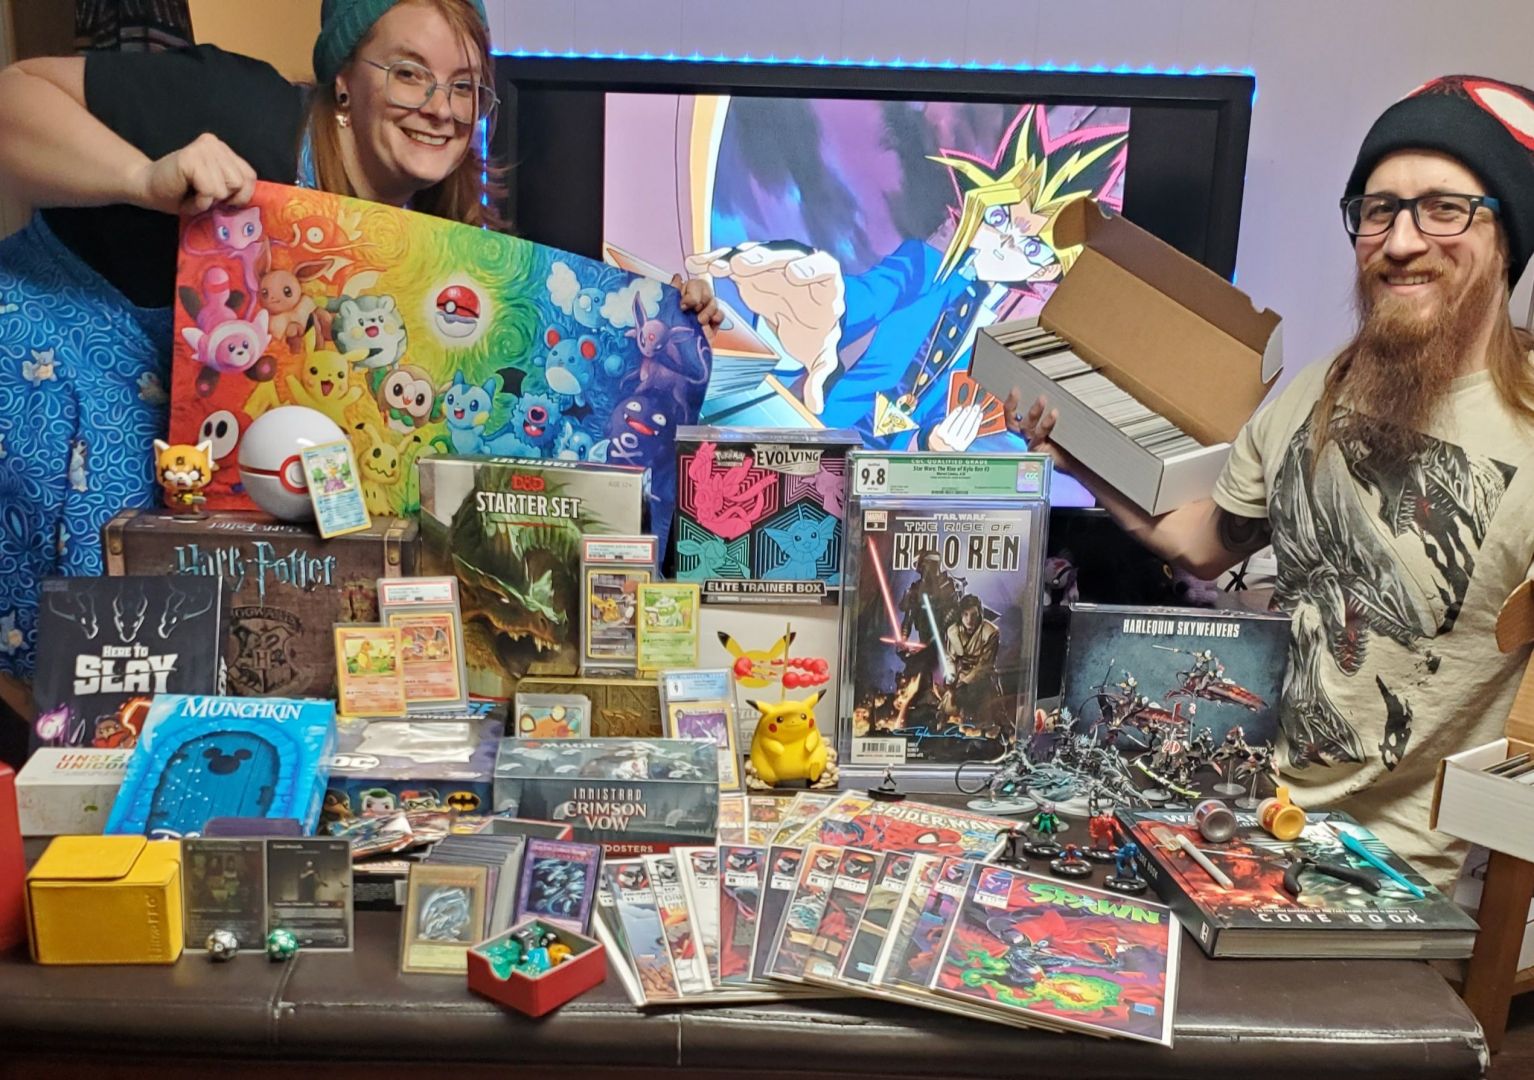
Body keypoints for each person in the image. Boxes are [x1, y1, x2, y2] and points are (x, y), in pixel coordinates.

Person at [0, 0, 724, 710]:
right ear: (344, 80)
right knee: (116, 648)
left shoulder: (438, 233)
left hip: (222, 429)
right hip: (63, 353)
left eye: (465, 86)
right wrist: (144, 179)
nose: (441, 108)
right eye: (410, 73)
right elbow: (15, 96)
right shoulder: (241, 108)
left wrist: (671, 321)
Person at [1008, 74, 1534, 890]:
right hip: (1243, 825)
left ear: (1508, 238)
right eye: (1379, 210)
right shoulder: (1319, 390)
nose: (1400, 241)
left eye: (1444, 209)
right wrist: (1079, 457)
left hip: (1388, 885)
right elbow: (1201, 544)